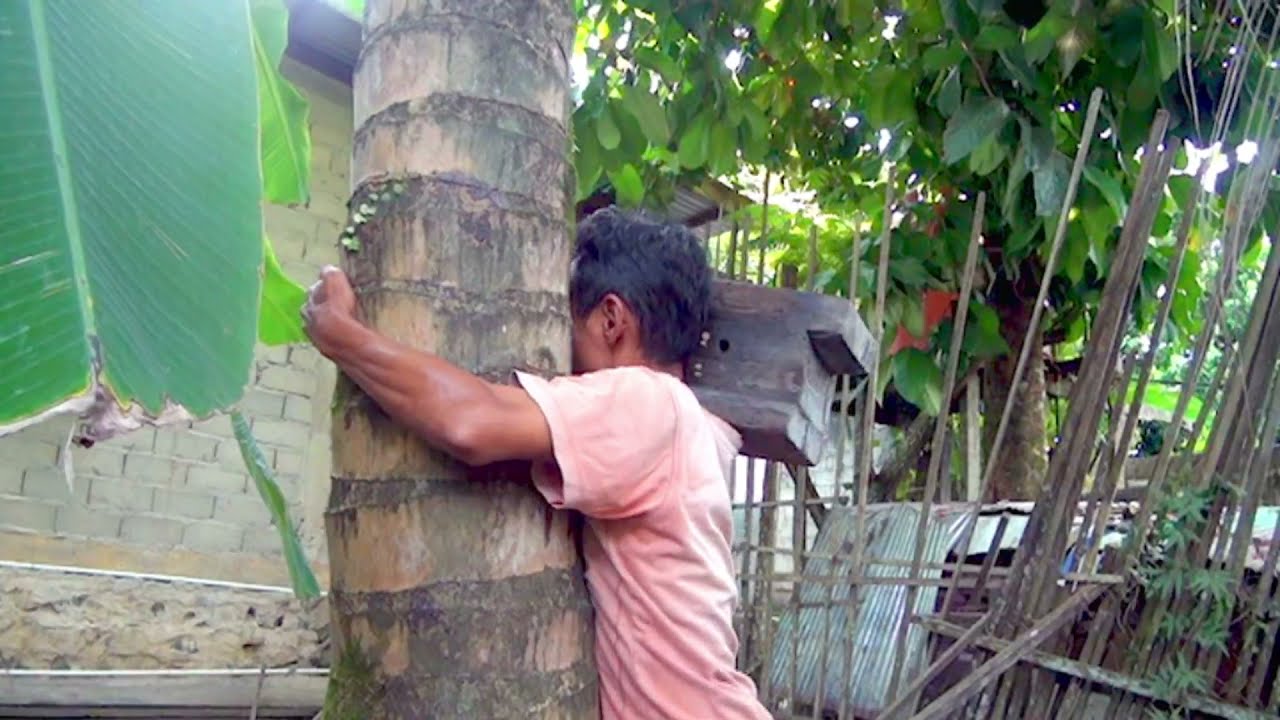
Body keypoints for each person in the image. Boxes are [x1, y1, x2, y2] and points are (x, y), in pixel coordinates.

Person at [303, 207, 772, 720]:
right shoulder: (701, 426)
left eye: (570, 324)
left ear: (612, 320)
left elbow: (472, 422)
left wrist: (341, 336)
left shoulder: (646, 402)